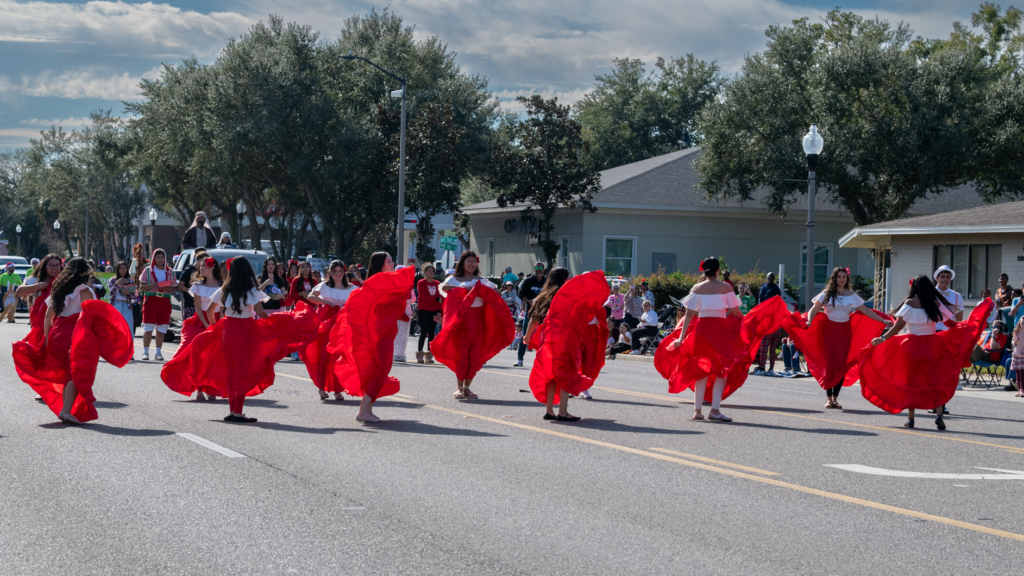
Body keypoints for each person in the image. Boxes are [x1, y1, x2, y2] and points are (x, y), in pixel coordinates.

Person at [654, 257, 787, 422]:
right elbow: (736, 312)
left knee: (701, 368)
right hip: (720, 330)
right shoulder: (725, 287)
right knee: (722, 370)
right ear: (718, 271)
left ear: (704, 271)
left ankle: (697, 411)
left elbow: (689, 314)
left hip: (701, 330)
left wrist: (681, 338)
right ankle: (715, 410)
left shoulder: (696, 287)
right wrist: (749, 322)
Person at [860, 275, 992, 430]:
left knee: (911, 382)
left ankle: (911, 419)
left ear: (913, 288)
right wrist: (969, 327)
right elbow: (951, 324)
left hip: (911, 347)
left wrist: (882, 339)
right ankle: (939, 416)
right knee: (935, 379)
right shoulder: (935, 302)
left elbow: (897, 328)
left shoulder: (909, 303)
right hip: (932, 345)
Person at [192, 257, 315, 423]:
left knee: (232, 371)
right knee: (244, 371)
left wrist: (216, 326)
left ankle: (232, 411)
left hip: (228, 330)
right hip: (246, 330)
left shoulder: (225, 289)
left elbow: (209, 310)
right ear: (248, 271)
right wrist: (277, 321)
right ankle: (237, 412)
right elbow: (262, 313)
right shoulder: (251, 290)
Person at [12, 258, 133, 424]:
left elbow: (48, 317)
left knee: (68, 372)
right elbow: (89, 315)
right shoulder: (84, 290)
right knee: (77, 373)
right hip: (74, 335)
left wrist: (47, 340)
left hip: (57, 333)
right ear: (84, 273)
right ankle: (66, 410)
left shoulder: (59, 288)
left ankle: (66, 408)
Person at [781, 267, 892, 409]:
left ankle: (835, 398)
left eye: (844, 277)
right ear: (834, 278)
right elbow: (814, 309)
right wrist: (809, 320)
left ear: (847, 279)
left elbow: (865, 310)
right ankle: (828, 398)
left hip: (844, 332)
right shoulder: (827, 294)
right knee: (829, 365)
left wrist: (883, 321)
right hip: (828, 332)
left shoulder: (851, 294)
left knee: (841, 365)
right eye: (839, 277)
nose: (841, 279)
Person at [327, 252, 413, 423]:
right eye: (389, 261)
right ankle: (363, 411)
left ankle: (367, 409)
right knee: (377, 369)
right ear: (380, 265)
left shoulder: (386, 284)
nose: (393, 263)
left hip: (386, 333)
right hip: (376, 335)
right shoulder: (375, 285)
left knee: (381, 369)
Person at [525, 269, 608, 421]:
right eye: (568, 278)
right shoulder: (565, 295)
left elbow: (534, 319)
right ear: (564, 279)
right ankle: (563, 412)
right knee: (566, 373)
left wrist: (527, 337)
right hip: (563, 339)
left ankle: (549, 411)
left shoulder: (544, 296)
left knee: (551, 375)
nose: (570, 280)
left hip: (548, 339)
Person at [432, 251, 515, 399]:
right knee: (462, 355)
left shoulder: (482, 280)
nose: (471, 264)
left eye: (474, 262)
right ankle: (459, 387)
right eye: (468, 261)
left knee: (475, 356)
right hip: (461, 321)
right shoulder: (454, 279)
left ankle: (467, 387)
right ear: (462, 263)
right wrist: (465, 290)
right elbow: (444, 288)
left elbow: (496, 292)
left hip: (479, 321)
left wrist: (484, 290)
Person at [161, 255, 224, 401]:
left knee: (213, 358)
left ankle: (211, 389)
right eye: (200, 266)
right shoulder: (197, 286)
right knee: (195, 355)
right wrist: (207, 325)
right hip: (199, 321)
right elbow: (197, 308)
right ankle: (199, 390)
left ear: (212, 267)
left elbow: (221, 308)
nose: (200, 268)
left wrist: (217, 325)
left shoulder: (221, 286)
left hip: (216, 322)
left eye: (203, 266)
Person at [302, 260, 357, 401]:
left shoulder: (351, 288)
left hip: (343, 324)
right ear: (330, 273)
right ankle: (321, 388)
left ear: (344, 272)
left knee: (340, 357)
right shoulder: (324, 285)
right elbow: (311, 296)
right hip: (326, 323)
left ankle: (338, 390)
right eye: (334, 271)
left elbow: (360, 300)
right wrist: (327, 302)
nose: (337, 274)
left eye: (340, 271)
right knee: (323, 355)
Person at [931, 265, 964, 405]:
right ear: (937, 278)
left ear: (950, 279)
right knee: (933, 368)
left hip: (948, 335)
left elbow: (959, 320)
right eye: (942, 276)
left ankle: (941, 402)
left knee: (946, 368)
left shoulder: (957, 296)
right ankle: (934, 401)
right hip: (932, 334)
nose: (945, 279)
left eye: (947, 277)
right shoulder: (929, 293)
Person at [138, 248, 177, 361]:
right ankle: (145, 352)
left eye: (162, 257)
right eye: (158, 257)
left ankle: (158, 352)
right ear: (154, 258)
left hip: (164, 301)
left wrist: (164, 286)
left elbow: (174, 287)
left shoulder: (170, 271)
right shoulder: (147, 270)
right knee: (148, 327)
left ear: (165, 258)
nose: (160, 259)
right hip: (150, 299)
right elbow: (141, 287)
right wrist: (152, 286)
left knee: (161, 328)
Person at [16, 254, 62, 348]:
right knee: (39, 349)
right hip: (38, 323)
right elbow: (19, 292)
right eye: (50, 265)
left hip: (58, 321)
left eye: (57, 265)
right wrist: (40, 286)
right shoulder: (34, 280)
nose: (54, 268)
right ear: (45, 266)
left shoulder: (63, 281)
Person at [514, 262, 547, 367]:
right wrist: (530, 301)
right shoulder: (527, 281)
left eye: (541, 268)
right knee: (525, 334)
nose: (539, 269)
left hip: (543, 312)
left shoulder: (547, 282)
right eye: (537, 268)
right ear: (533, 269)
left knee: (544, 335)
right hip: (530, 312)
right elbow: (520, 294)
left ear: (544, 270)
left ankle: (543, 360)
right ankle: (519, 359)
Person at [416, 263, 443, 363]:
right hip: (423, 310)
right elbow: (423, 296)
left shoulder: (437, 283)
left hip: (434, 310)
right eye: (429, 271)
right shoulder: (421, 282)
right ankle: (419, 354)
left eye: (433, 271)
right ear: (425, 272)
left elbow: (440, 299)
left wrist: (439, 310)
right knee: (423, 332)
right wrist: (435, 299)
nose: (431, 273)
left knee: (432, 333)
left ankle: (429, 356)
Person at [107, 261, 136, 343]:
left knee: (129, 328)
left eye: (124, 268)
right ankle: (115, 352)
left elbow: (134, 295)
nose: (122, 270)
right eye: (120, 268)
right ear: (117, 269)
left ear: (127, 269)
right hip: (116, 304)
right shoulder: (113, 280)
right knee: (115, 327)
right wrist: (116, 284)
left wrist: (128, 294)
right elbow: (111, 293)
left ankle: (130, 353)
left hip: (127, 305)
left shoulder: (130, 281)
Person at [176, 248, 207, 322]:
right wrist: (193, 292)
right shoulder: (189, 269)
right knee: (190, 328)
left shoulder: (206, 271)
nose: (205, 264)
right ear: (199, 259)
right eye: (203, 261)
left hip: (203, 306)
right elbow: (180, 286)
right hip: (190, 305)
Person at [1010, 319, 1024, 397]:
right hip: (1016, 354)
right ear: (1019, 323)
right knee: (1018, 373)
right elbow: (1013, 342)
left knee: (1022, 373)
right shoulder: (1017, 332)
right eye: (1022, 323)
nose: (1023, 325)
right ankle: (1019, 389)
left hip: (1023, 356)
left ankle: (1022, 389)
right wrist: (1014, 342)